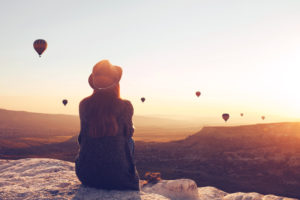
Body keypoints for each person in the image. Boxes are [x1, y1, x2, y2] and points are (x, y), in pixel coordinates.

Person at [75, 60, 139, 190]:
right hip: (119, 178)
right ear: (116, 84)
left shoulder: (84, 104)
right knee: (130, 141)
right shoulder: (125, 105)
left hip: (86, 175)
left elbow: (82, 138)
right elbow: (128, 134)